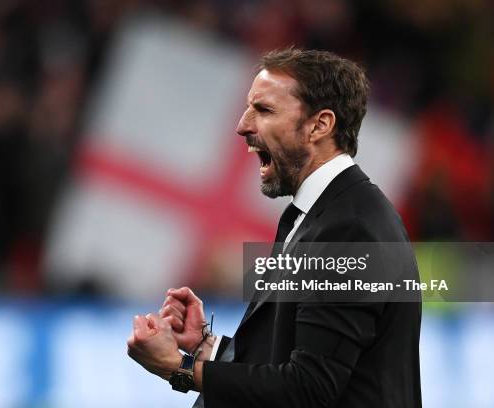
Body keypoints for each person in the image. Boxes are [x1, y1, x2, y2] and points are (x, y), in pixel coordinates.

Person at [127, 47, 422, 408]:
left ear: (320, 125)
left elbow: (308, 388)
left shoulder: (349, 230)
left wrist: (179, 368)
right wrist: (208, 347)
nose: (243, 125)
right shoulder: (321, 214)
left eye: (264, 110)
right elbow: (298, 361)